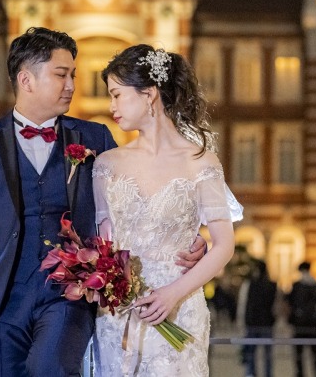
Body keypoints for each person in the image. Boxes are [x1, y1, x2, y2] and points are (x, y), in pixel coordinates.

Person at [0, 28, 206, 376]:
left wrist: (190, 236)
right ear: (26, 80)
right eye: (61, 74)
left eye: (73, 75)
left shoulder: (94, 137)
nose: (71, 84)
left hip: (68, 297)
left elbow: (139, 199)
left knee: (50, 367)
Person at [91, 44, 242, 376]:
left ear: (149, 94)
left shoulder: (201, 161)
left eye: (117, 94)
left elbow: (224, 244)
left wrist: (173, 294)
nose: (111, 105)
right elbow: (103, 246)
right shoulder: (106, 165)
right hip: (119, 314)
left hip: (180, 307)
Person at [287, 261, 316, 377]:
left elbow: (290, 303)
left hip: (300, 324)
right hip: (315, 325)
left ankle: (300, 373)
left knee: (299, 352)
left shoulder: (297, 286)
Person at [242, 259, 277, 377]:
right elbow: (274, 305)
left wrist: (244, 320)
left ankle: (251, 374)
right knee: (267, 353)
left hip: (252, 322)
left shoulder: (251, 284)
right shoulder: (272, 285)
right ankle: (268, 374)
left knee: (251, 352)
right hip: (267, 322)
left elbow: (246, 304)